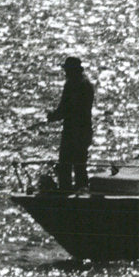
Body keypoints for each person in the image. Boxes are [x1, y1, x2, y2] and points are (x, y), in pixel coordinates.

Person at [47, 56, 94, 191]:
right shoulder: (87, 84)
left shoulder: (72, 85)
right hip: (85, 131)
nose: (66, 73)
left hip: (72, 132)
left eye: (67, 70)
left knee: (65, 165)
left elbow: (65, 109)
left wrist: (53, 116)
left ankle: (65, 193)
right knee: (80, 165)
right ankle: (81, 191)